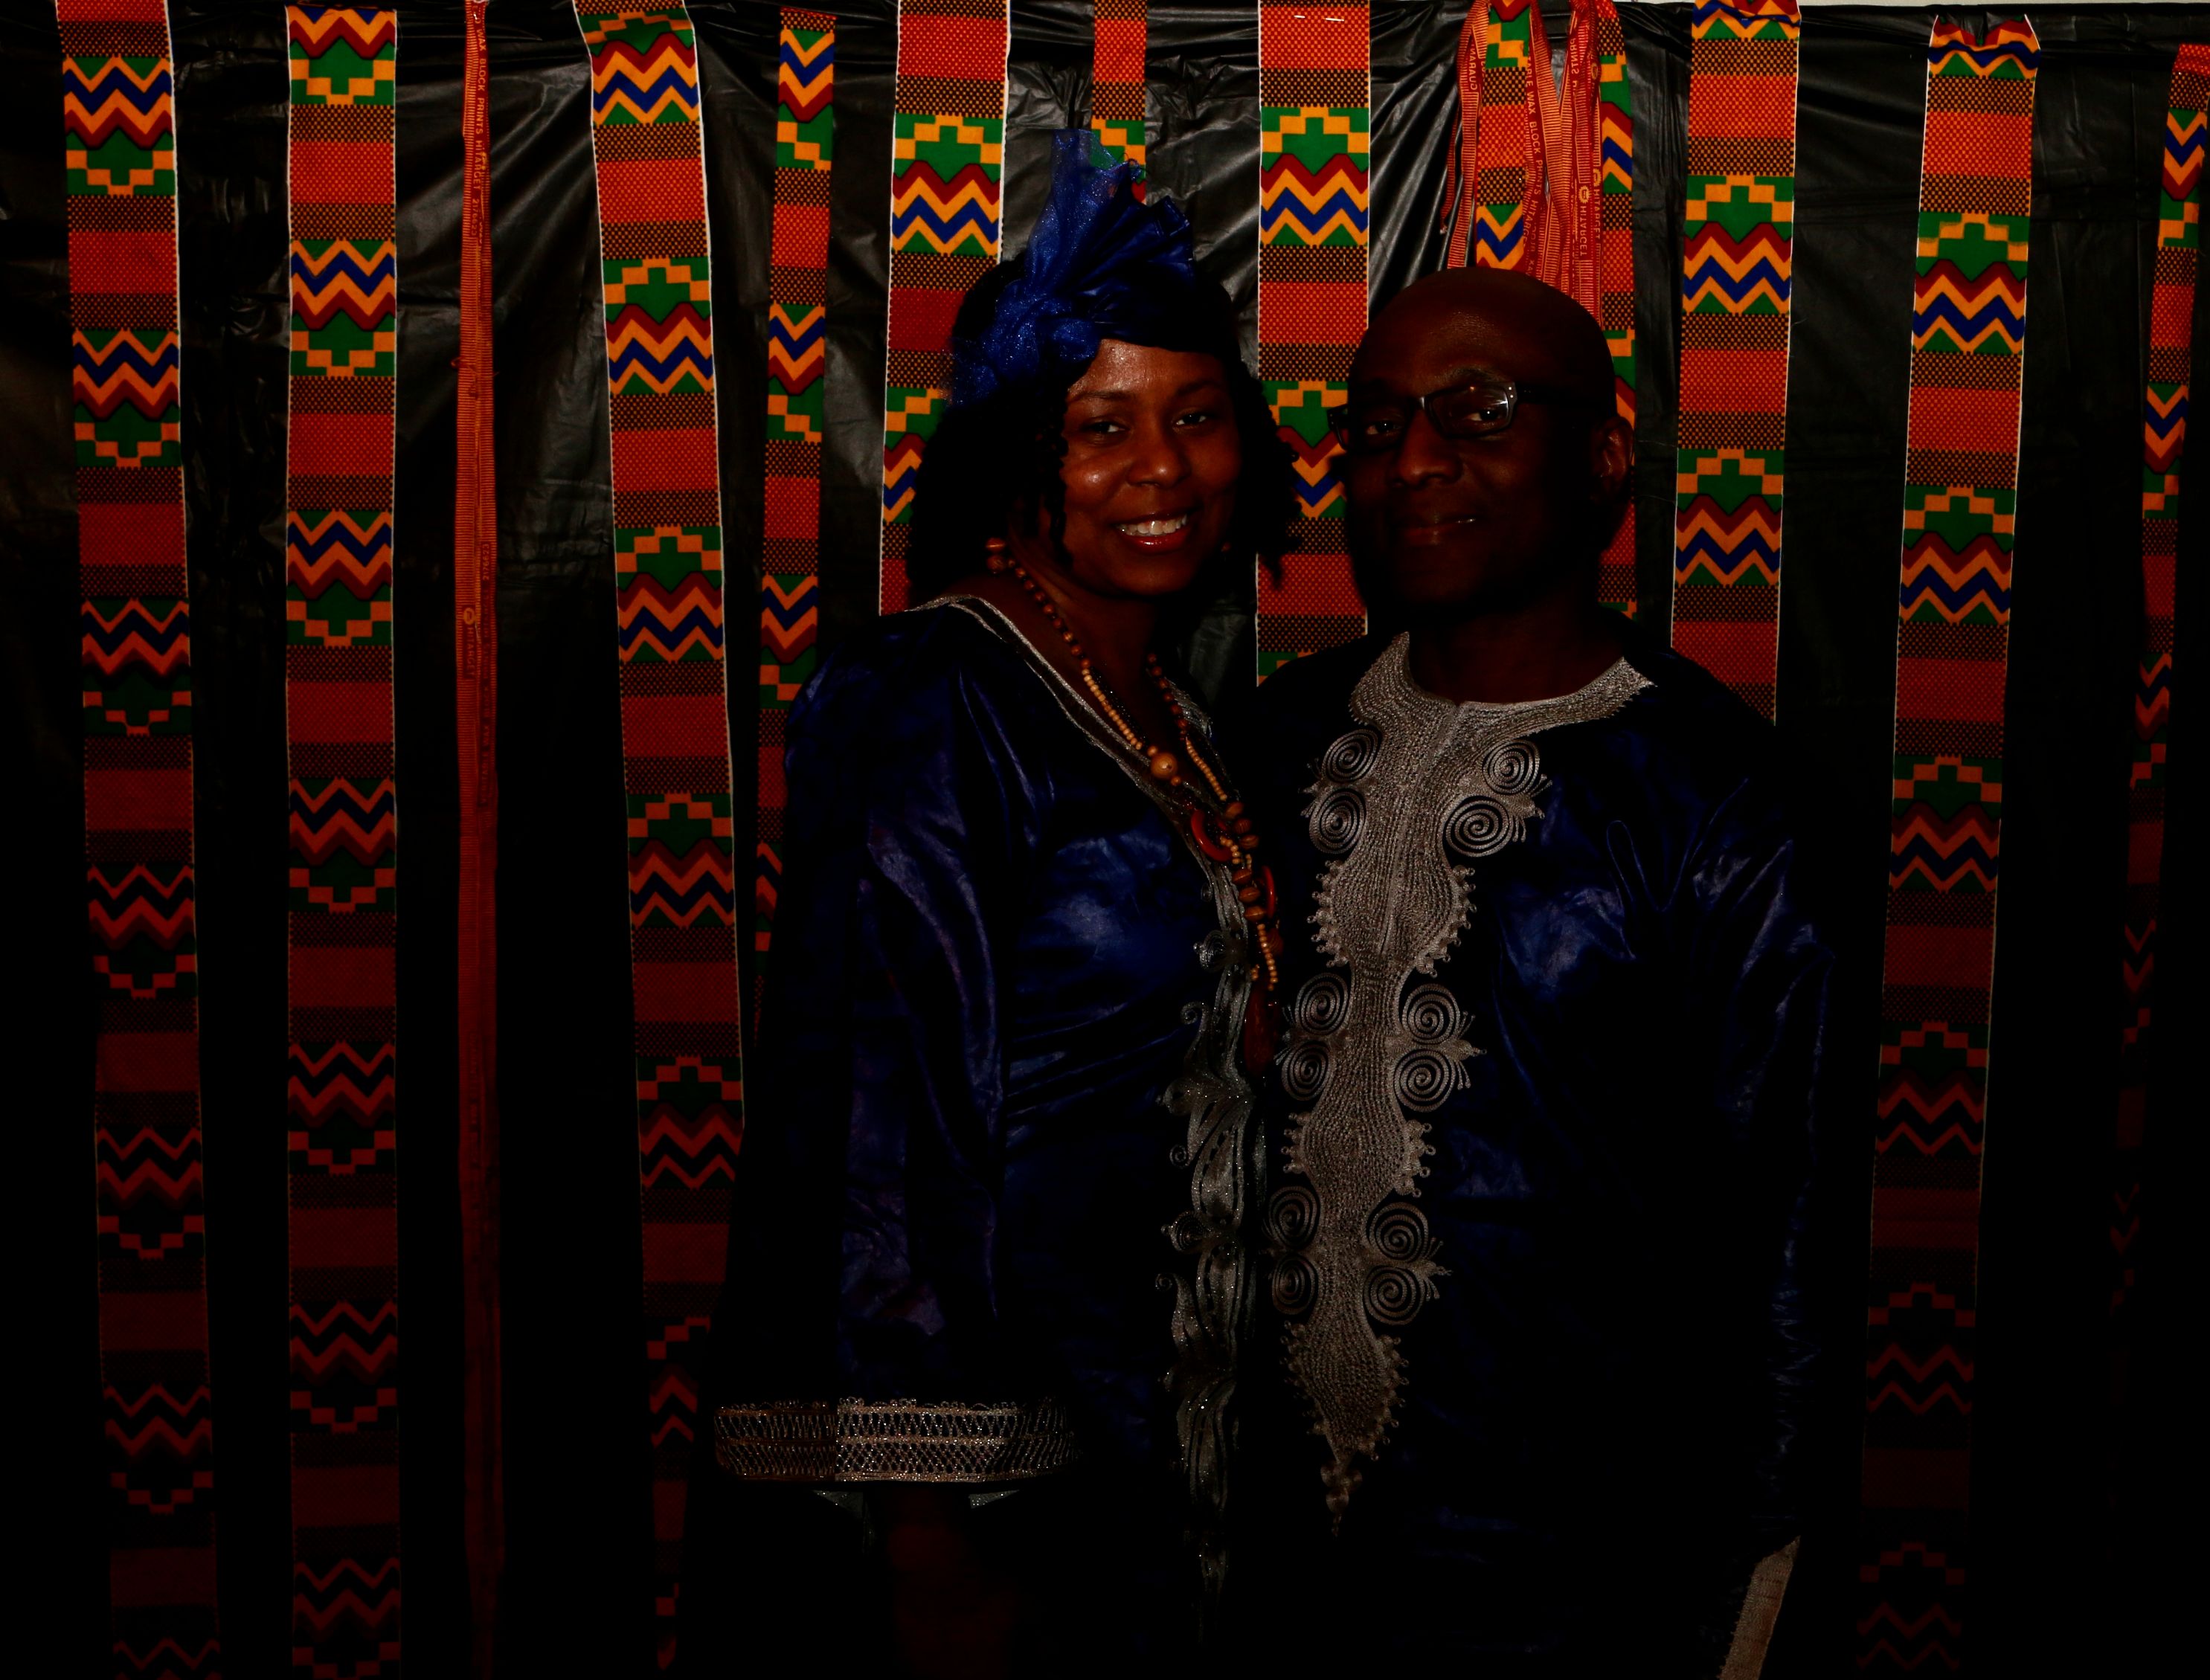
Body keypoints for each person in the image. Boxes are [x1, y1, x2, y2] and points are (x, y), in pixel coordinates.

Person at [686, 135, 1291, 1675]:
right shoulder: (935, 697)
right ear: (1014, 461)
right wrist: (928, 1528)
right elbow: (878, 1119)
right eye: (1100, 428)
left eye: (1197, 416)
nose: (1162, 471)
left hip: (1153, 1438)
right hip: (990, 1482)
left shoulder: (1171, 711)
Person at [1224, 267, 1830, 1675]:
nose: (1415, 459)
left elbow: (1791, 1240)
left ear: (1605, 457)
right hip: (1264, 1564)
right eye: (1377, 423)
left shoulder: (1717, 805)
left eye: (1478, 409)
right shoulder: (1271, 747)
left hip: (1578, 1581)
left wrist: (1744, 1603)